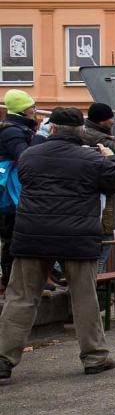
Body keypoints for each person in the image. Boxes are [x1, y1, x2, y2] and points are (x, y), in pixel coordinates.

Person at [0, 108, 115, 382]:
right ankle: (95, 356)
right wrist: (114, 156)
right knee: (84, 297)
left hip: (32, 236)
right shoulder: (89, 159)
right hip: (77, 237)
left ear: (51, 128)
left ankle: (3, 360)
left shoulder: (29, 156)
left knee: (21, 298)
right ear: (81, 131)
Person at [0, 90, 39, 294]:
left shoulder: (17, 128)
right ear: (24, 110)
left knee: (16, 235)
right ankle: (10, 281)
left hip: (18, 187)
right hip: (14, 189)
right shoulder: (13, 131)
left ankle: (17, 281)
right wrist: (40, 140)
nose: (35, 110)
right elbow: (25, 156)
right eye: (32, 107)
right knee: (13, 236)